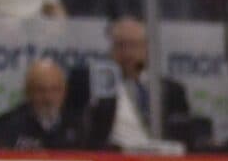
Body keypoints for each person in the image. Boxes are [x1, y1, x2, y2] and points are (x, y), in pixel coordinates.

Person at [70, 17, 199, 153]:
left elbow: (183, 137)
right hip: (115, 160)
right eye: (121, 45)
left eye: (134, 45)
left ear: (146, 49)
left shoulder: (172, 90)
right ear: (111, 48)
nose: (127, 53)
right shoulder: (91, 81)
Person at [0, 57, 77, 150]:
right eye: (41, 90)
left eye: (55, 90)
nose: (48, 98)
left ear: (64, 92)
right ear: (28, 92)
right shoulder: (8, 125)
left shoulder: (78, 125)